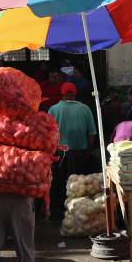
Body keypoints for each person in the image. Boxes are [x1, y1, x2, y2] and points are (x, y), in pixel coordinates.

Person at [48, 82, 97, 218]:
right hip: (78, 154)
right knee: (77, 187)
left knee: (58, 184)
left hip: (59, 154)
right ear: (75, 93)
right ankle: (75, 212)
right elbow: (92, 133)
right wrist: (88, 150)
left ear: (62, 94)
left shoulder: (53, 109)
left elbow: (48, 134)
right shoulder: (85, 109)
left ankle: (57, 213)